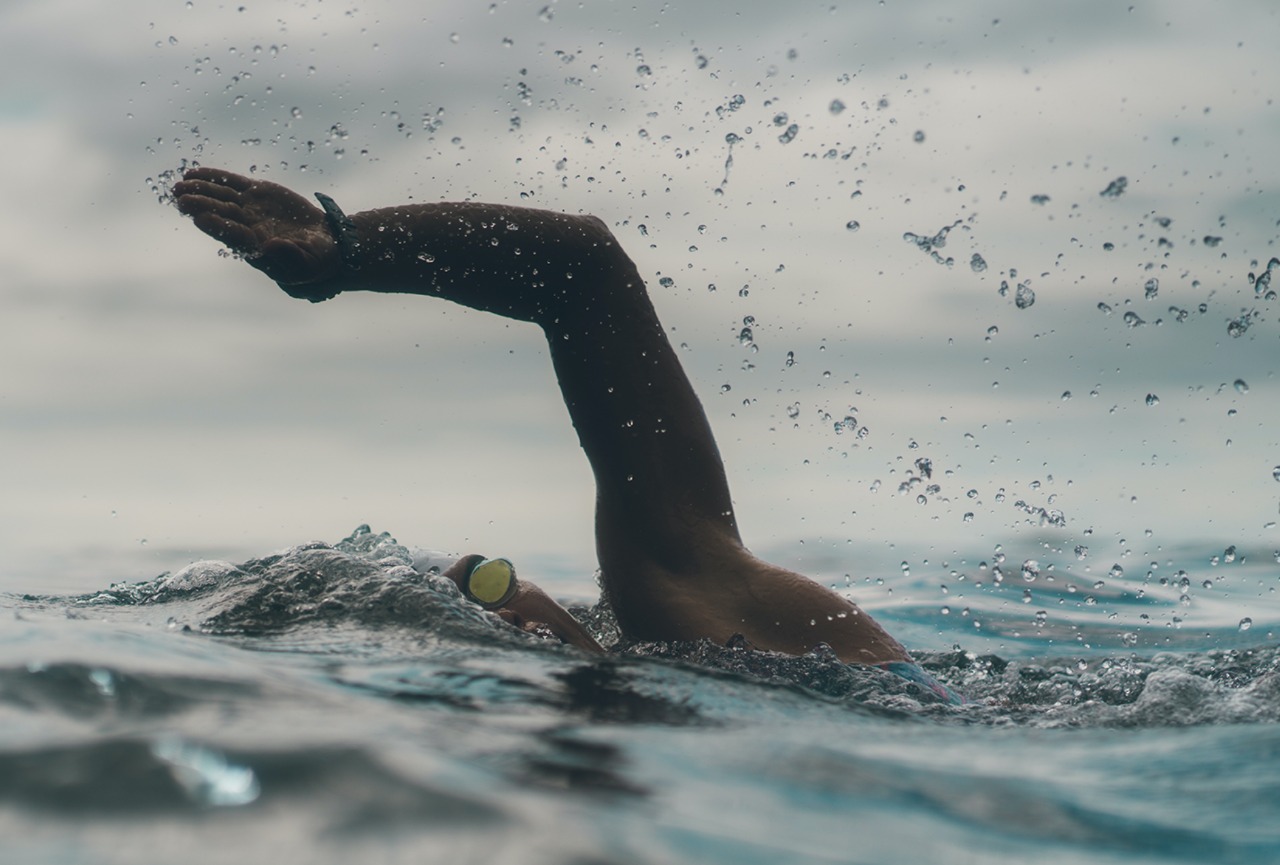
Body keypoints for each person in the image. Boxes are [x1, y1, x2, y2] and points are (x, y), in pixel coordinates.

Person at [173, 167, 918, 671]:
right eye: (479, 597)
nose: (503, 614)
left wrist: (349, 250)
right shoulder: (672, 676)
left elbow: (581, 266)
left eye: (492, 584)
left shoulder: (688, 597)